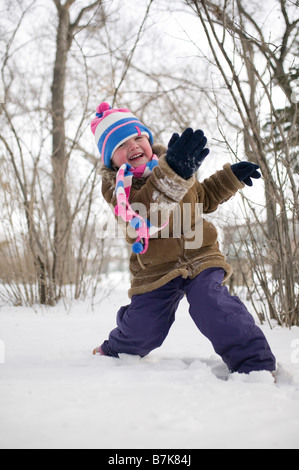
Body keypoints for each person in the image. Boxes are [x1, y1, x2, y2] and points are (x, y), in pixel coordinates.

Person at [90, 101, 276, 375]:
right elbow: (142, 217)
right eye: (120, 144)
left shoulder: (176, 166)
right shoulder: (118, 191)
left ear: (149, 140)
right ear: (110, 159)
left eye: (138, 137)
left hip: (200, 251)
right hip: (155, 267)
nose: (133, 146)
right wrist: (173, 173)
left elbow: (202, 198)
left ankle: (255, 365)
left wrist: (231, 178)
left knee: (211, 303)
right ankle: (118, 346)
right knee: (144, 327)